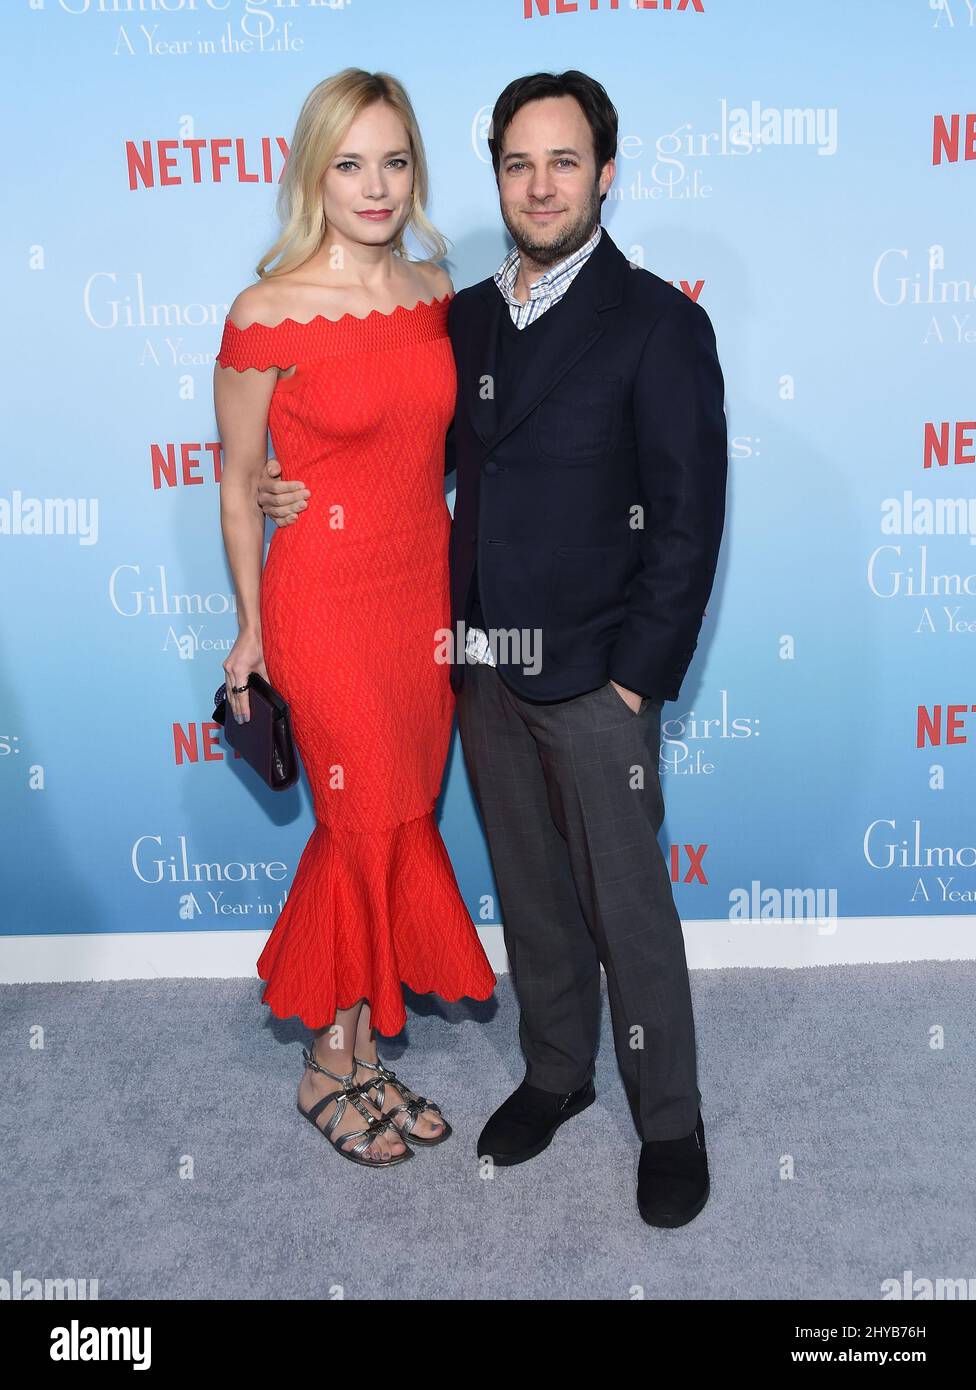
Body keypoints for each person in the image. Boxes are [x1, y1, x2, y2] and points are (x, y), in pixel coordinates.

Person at [258, 70, 728, 1226]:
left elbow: (687, 518)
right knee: (528, 896)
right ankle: (557, 1071)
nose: (540, 183)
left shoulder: (661, 323)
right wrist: (290, 485)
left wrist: (631, 681)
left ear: (605, 174)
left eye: (563, 161)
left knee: (627, 910)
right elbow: (389, 432)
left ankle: (668, 1118)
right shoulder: (461, 314)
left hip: (594, 679)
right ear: (497, 178)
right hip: (473, 662)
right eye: (518, 163)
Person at [214, 68, 496, 1169]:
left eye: (394, 161)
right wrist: (249, 625)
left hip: (422, 599)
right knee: (357, 816)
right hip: (322, 601)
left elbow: (449, 445)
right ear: (312, 174)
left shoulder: (437, 290)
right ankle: (329, 1066)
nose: (375, 186)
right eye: (350, 164)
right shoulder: (264, 312)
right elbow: (239, 482)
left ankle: (365, 1053)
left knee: (399, 813)